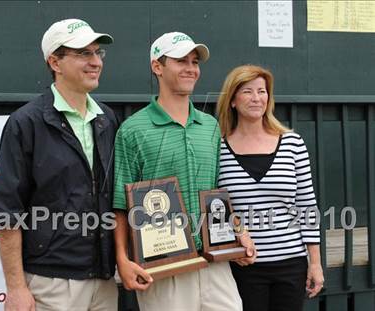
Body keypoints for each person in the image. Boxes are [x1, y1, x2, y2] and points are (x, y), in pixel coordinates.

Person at [113, 32, 256, 311]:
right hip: (164, 267)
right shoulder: (132, 129)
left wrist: (239, 233)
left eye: (195, 61)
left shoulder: (210, 126)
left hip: (214, 262)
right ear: (157, 67)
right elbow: (120, 204)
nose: (191, 68)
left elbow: (217, 193)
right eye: (181, 61)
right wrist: (122, 259)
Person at [0, 18, 118, 310]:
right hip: (52, 283)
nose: (95, 61)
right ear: (55, 62)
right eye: (84, 53)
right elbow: (7, 212)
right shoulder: (26, 123)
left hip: (105, 280)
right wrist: (16, 287)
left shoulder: (107, 119)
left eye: (98, 53)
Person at [217, 64, 324, 311]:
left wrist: (315, 263)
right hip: (243, 266)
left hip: (291, 265)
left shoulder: (292, 144)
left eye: (262, 91)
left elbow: (307, 206)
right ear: (232, 100)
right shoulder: (218, 148)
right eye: (247, 91)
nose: (256, 98)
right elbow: (216, 207)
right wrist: (235, 236)